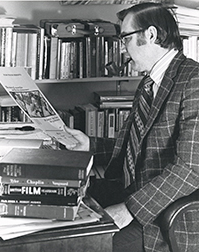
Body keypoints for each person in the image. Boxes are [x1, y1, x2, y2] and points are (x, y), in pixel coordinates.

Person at [64, 2, 199, 252]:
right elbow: (135, 146)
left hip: (162, 215)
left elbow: (190, 169)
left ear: (150, 35)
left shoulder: (194, 81)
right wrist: (89, 145)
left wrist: (129, 210)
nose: (122, 49)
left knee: (81, 245)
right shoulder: (149, 81)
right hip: (129, 190)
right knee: (63, 212)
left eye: (125, 38)